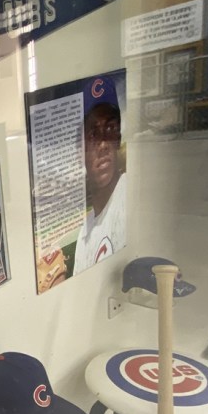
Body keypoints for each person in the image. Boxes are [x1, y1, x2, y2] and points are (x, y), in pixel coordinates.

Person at [73, 75, 127, 273]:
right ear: (80, 150)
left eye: (111, 129)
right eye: (93, 134)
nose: (104, 145)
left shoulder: (130, 198)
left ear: (119, 139)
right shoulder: (83, 236)